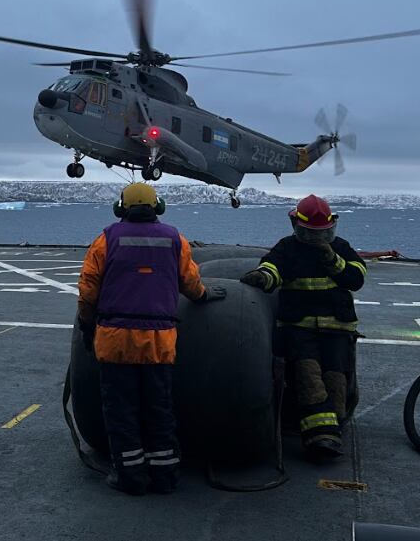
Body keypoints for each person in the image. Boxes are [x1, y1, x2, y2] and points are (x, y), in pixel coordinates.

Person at [77, 182, 226, 495]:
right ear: (158, 207)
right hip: (159, 341)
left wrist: (86, 323)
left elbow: (89, 288)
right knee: (159, 408)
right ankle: (165, 476)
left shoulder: (106, 239)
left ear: (121, 208)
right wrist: (204, 295)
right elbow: (190, 281)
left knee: (121, 411)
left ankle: (130, 477)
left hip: (115, 340)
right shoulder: (175, 239)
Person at [240, 194, 366, 462]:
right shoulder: (288, 248)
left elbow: (356, 278)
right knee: (307, 376)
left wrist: (333, 260)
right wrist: (264, 277)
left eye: (322, 234)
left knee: (336, 379)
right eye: (310, 234)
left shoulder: (340, 248)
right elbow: (273, 266)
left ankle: (333, 426)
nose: (316, 239)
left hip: (337, 329)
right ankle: (320, 437)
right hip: (299, 328)